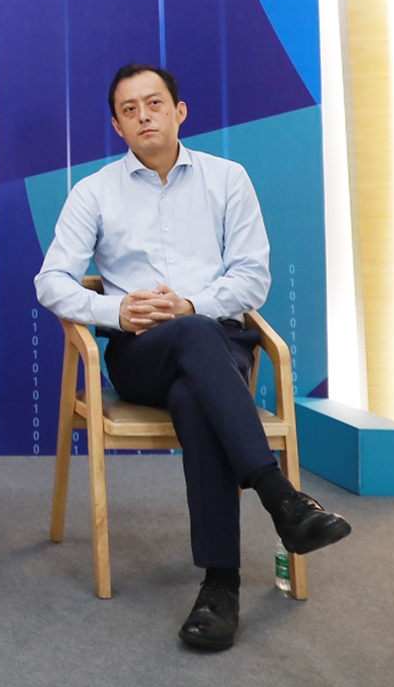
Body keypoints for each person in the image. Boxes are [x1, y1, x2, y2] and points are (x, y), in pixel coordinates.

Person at [35, 63, 351, 651]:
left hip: (219, 348)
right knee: (193, 341)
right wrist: (116, 310)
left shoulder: (227, 179)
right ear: (117, 126)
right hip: (141, 355)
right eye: (129, 110)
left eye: (154, 103)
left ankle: (220, 586)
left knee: (195, 383)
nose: (144, 116)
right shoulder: (94, 192)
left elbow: (253, 277)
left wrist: (190, 305)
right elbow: (51, 281)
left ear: (180, 112)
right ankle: (280, 496)